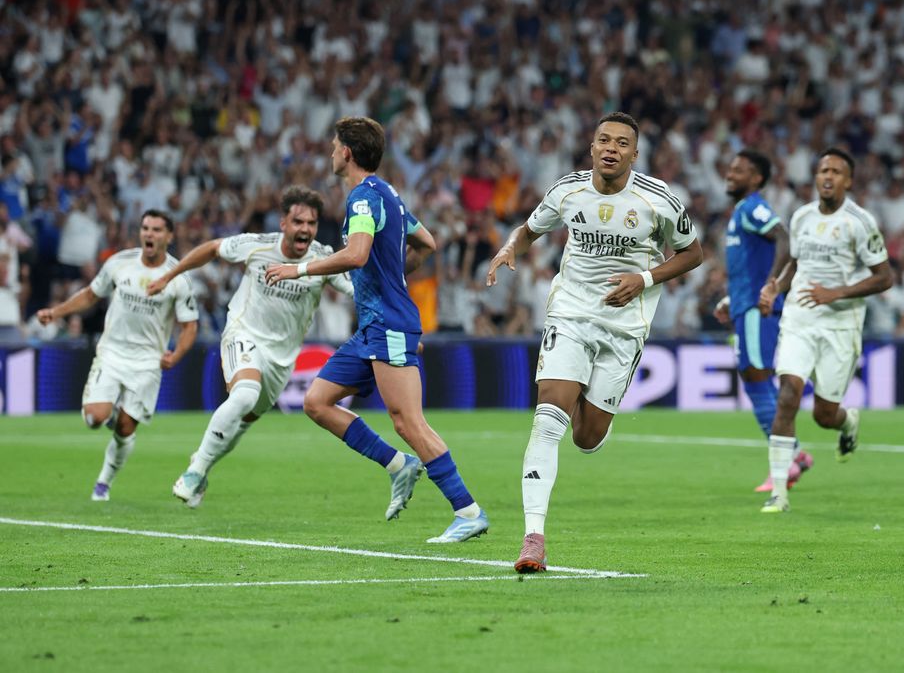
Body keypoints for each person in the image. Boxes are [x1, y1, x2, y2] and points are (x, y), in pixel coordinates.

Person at [486, 112, 704, 573]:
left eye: (622, 143)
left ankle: (597, 413)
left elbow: (693, 253)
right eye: (603, 139)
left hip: (625, 327)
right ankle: (533, 538)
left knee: (586, 438)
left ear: (634, 153)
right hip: (571, 314)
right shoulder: (567, 190)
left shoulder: (659, 200)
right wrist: (509, 248)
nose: (611, 148)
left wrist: (644, 278)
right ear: (591, 146)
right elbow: (529, 230)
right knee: (548, 420)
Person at [264, 116, 488, 544]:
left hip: (387, 324)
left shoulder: (363, 200)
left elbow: (357, 253)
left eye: (333, 146)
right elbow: (427, 244)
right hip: (373, 327)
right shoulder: (390, 195)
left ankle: (468, 510)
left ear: (346, 152)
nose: (331, 152)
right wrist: (397, 277)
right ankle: (397, 465)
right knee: (317, 401)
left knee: (409, 422)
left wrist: (300, 268)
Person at [146, 186, 354, 507]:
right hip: (244, 333)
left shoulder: (322, 259)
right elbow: (213, 248)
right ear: (283, 222)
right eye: (298, 221)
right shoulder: (257, 246)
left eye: (311, 223)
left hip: (282, 358)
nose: (305, 230)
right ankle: (194, 471)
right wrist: (170, 275)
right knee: (243, 395)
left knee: (241, 425)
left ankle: (201, 466)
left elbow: (357, 292)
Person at [756, 148, 893, 514]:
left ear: (848, 181)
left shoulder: (860, 222)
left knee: (823, 415)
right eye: (822, 170)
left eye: (836, 171)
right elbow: (795, 265)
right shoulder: (801, 217)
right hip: (800, 319)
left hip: (840, 324)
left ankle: (847, 423)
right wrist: (775, 288)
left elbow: (885, 277)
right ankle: (780, 492)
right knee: (787, 395)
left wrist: (837, 293)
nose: (828, 176)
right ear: (815, 177)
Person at [36, 210, 198, 501]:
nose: (149, 234)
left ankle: (103, 482)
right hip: (112, 353)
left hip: (148, 361)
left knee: (125, 427)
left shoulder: (177, 277)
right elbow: (90, 294)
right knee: (94, 418)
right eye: (146, 228)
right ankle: (108, 412)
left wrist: (176, 355)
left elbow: (189, 326)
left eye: (157, 230)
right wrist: (56, 312)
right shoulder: (119, 263)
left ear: (169, 236)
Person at [713, 149, 813, 493]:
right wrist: (731, 299)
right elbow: (747, 266)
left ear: (756, 178)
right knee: (753, 377)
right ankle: (793, 454)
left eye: (739, 169)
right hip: (745, 305)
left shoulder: (754, 206)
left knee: (757, 375)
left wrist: (771, 284)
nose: (730, 173)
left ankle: (789, 458)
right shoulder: (741, 210)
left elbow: (784, 237)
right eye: (730, 167)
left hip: (758, 308)